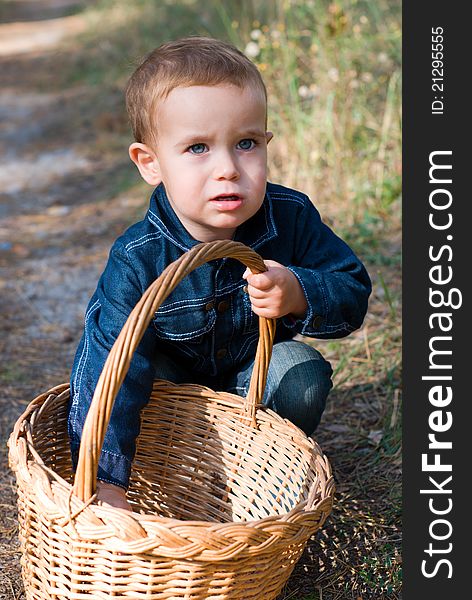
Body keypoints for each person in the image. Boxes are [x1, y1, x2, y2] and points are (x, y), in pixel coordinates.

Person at [67, 36, 371, 510]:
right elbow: (111, 367)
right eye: (197, 148)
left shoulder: (289, 216)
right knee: (128, 380)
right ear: (150, 163)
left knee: (303, 375)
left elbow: (351, 289)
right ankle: (160, 475)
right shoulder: (139, 257)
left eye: (246, 143)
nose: (228, 168)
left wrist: (298, 291)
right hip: (169, 392)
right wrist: (105, 483)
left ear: (266, 143)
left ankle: (261, 470)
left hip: (250, 379)